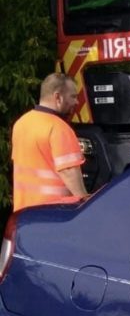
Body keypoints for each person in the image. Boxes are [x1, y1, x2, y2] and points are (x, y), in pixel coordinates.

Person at [11, 73, 86, 212]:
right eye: (73, 96)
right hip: (53, 214)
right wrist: (86, 204)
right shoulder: (59, 128)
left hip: (24, 215)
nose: (77, 102)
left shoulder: (21, 123)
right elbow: (69, 172)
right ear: (58, 97)